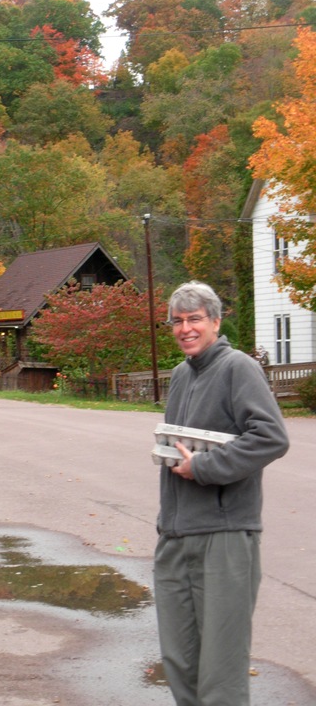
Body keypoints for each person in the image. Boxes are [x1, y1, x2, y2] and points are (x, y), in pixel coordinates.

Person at [154, 281, 289, 706]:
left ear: (215, 320)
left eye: (194, 319)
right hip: (176, 536)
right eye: (177, 321)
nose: (185, 329)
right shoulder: (180, 374)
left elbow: (271, 438)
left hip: (225, 537)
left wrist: (206, 467)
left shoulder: (237, 368)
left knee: (221, 670)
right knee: (180, 662)